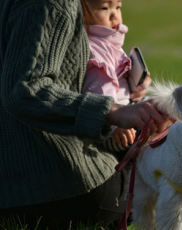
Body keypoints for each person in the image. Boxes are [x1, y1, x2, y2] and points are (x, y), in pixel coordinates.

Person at [0, 0, 169, 228]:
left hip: (20, 183)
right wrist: (113, 111)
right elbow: (24, 90)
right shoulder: (53, 4)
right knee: (173, 161)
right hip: (50, 186)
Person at [81, 0, 145, 151]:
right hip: (118, 129)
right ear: (83, 11)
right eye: (104, 8)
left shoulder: (108, 41)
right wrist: (115, 125)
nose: (114, 16)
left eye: (118, 7)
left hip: (126, 110)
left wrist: (137, 84)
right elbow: (100, 87)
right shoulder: (97, 48)